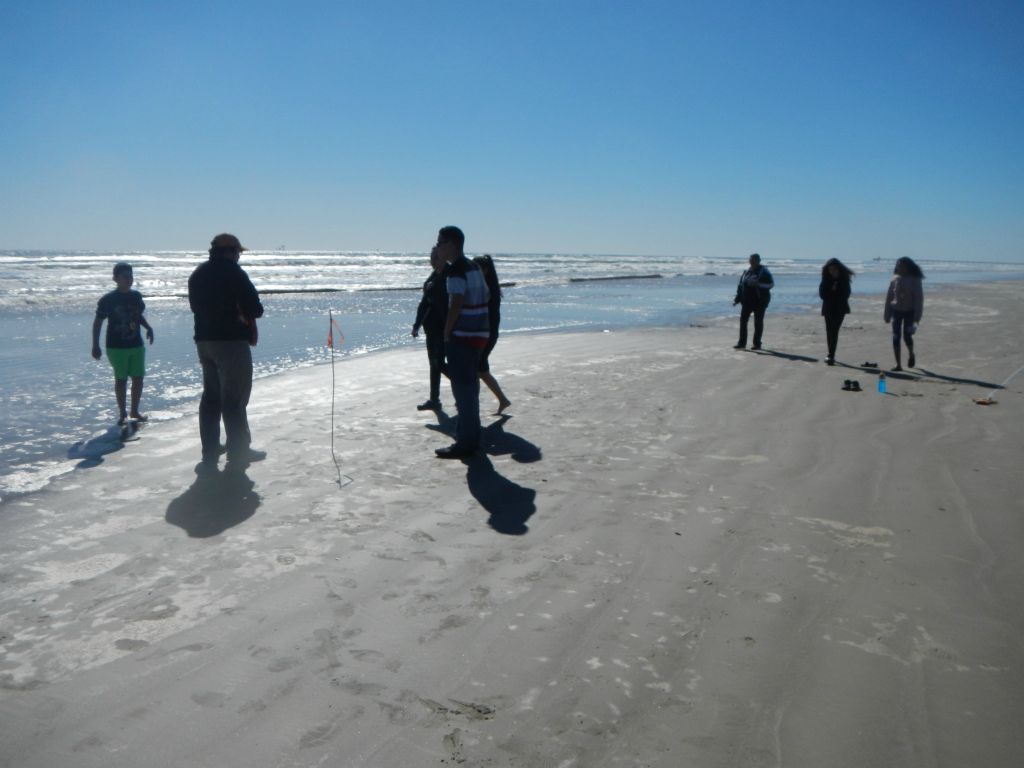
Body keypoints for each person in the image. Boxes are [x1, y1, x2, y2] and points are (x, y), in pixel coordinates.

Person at [188, 233, 265, 464]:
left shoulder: (198, 273)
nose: (239, 256)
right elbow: (256, 308)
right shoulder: (234, 273)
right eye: (238, 252)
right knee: (234, 399)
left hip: (204, 341)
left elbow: (195, 307)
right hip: (231, 342)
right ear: (230, 252)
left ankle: (210, 448)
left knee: (211, 397)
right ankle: (239, 450)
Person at [434, 225, 489, 459]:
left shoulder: (456, 270)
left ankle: (466, 443)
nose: (437, 248)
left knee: (463, 391)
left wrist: (447, 331)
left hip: (462, 336)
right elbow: (486, 294)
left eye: (440, 243)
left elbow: (456, 302)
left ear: (452, 245)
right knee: (471, 389)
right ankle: (471, 438)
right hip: (479, 334)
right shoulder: (473, 266)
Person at [91, 261, 155, 424]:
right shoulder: (108, 300)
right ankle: (122, 413)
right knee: (121, 379)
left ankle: (134, 411)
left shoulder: (136, 296)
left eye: (130, 276)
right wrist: (95, 345)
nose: (128, 279)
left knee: (138, 378)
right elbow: (98, 322)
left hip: (136, 344)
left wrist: (148, 327)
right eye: (124, 276)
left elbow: (137, 316)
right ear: (115, 279)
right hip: (116, 346)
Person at [474, 254, 511, 414]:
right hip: (488, 334)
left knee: (478, 370)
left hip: (486, 334)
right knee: (481, 369)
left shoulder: (486, 289)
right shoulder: (490, 287)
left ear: (485, 270)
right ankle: (502, 400)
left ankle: (473, 403)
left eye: (476, 268)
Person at [411, 246, 448, 411]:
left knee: (438, 363)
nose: (432, 260)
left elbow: (449, 303)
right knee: (433, 364)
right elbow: (424, 303)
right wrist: (416, 325)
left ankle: (463, 385)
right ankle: (434, 400)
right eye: (431, 257)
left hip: (444, 328)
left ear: (443, 257)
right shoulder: (434, 276)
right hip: (431, 328)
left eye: (435, 257)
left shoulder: (448, 275)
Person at [883, 256, 924, 371]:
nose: (899, 267)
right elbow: (889, 298)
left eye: (901, 265)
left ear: (908, 267)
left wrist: (917, 317)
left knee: (907, 337)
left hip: (909, 312)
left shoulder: (915, 280)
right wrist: (887, 314)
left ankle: (911, 354)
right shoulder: (894, 280)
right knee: (896, 336)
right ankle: (898, 364)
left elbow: (918, 299)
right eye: (898, 265)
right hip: (896, 311)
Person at [733, 253, 774, 350]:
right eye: (750, 260)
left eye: (754, 260)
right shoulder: (746, 272)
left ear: (759, 261)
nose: (751, 261)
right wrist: (737, 299)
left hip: (760, 301)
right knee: (743, 321)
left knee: (758, 322)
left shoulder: (764, 271)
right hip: (746, 302)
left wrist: (758, 284)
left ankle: (757, 344)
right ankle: (742, 343)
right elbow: (741, 286)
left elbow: (771, 284)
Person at [819, 258, 855, 365]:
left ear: (838, 269)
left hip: (840, 309)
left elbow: (846, 294)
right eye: (830, 269)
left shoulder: (844, 280)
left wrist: (835, 291)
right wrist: (832, 290)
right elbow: (822, 295)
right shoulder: (825, 279)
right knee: (829, 331)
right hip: (828, 308)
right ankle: (830, 354)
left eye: (834, 269)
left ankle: (831, 355)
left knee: (834, 330)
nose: (832, 271)